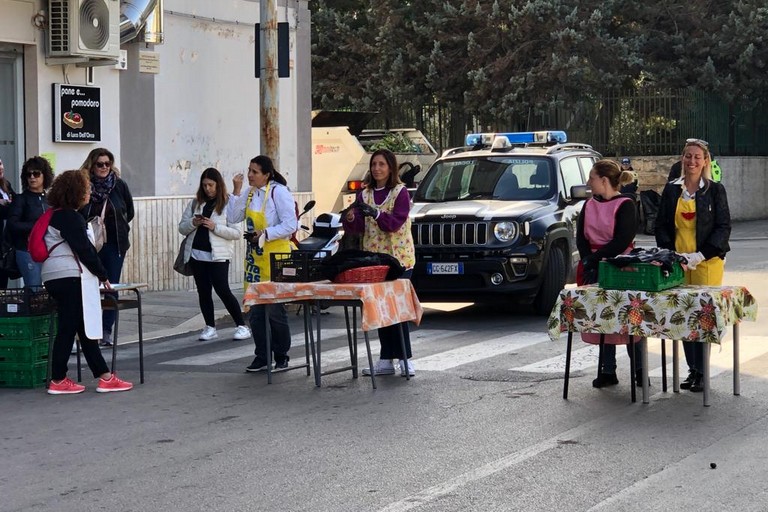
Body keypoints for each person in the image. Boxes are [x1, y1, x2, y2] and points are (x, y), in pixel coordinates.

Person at [43, 170, 133, 395]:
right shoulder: (69, 217)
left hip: (56, 275)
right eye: (86, 188)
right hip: (69, 276)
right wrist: (103, 275)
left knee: (82, 328)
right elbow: (84, 249)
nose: (89, 191)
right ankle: (58, 379)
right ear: (76, 192)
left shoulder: (57, 214)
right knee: (68, 328)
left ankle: (104, 376)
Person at [655, 138, 731, 393]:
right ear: (682, 158)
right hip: (679, 264)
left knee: (702, 317)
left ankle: (702, 370)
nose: (692, 161)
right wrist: (673, 255)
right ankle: (692, 369)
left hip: (706, 263)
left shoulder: (715, 190)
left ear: (705, 161)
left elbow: (722, 228)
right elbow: (662, 225)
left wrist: (699, 255)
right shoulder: (671, 190)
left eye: (697, 157)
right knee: (684, 317)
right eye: (688, 156)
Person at [342, 149, 417, 377]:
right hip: (375, 260)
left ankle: (405, 359)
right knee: (381, 309)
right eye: (374, 164)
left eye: (381, 164)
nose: (377, 169)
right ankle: (385, 359)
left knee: (398, 310)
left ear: (390, 168)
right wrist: (352, 218)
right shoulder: (363, 194)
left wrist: (375, 214)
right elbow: (356, 229)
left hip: (400, 260)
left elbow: (394, 223)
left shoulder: (400, 192)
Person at [577, 159, 646, 388]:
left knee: (629, 318)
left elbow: (621, 240)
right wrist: (589, 261)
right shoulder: (588, 205)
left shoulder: (625, 204)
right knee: (602, 318)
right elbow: (581, 238)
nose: (589, 182)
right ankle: (607, 370)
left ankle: (639, 369)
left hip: (621, 266)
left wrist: (596, 259)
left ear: (604, 180)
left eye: (592, 178)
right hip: (595, 265)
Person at [227, 155, 297, 372]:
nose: (250, 175)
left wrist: (265, 233)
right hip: (255, 261)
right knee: (255, 310)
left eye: (255, 172)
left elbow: (290, 224)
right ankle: (262, 355)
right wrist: (236, 191)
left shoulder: (278, 192)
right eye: (249, 170)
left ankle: (281, 355)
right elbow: (232, 217)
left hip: (276, 259)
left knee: (275, 310)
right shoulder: (249, 193)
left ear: (267, 174)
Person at [178, 167, 251, 342]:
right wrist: (193, 222)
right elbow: (182, 227)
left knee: (222, 289)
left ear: (218, 185)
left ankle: (241, 325)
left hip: (218, 255)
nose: (208, 189)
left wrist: (214, 227)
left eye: (211, 185)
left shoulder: (227, 203)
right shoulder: (195, 203)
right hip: (196, 254)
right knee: (203, 291)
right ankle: (210, 326)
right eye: (204, 185)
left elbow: (235, 233)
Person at [79, 148, 135, 346]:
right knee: (88, 287)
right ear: (91, 165)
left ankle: (105, 330)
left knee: (110, 286)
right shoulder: (83, 185)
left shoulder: (119, 185)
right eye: (99, 164)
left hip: (114, 244)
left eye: (107, 164)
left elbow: (129, 211)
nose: (104, 168)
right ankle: (88, 331)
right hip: (89, 244)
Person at [7, 156, 54, 288]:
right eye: (29, 174)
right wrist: (36, 226)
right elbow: (12, 224)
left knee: (50, 289)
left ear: (44, 175)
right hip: (27, 250)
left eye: (36, 173)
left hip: (49, 250)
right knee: (34, 288)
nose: (32, 177)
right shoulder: (21, 200)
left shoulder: (50, 200)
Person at [0, 157, 17, 288]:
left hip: (5, 243)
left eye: (0, 163)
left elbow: (16, 204)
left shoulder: (6, 185)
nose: (0, 168)